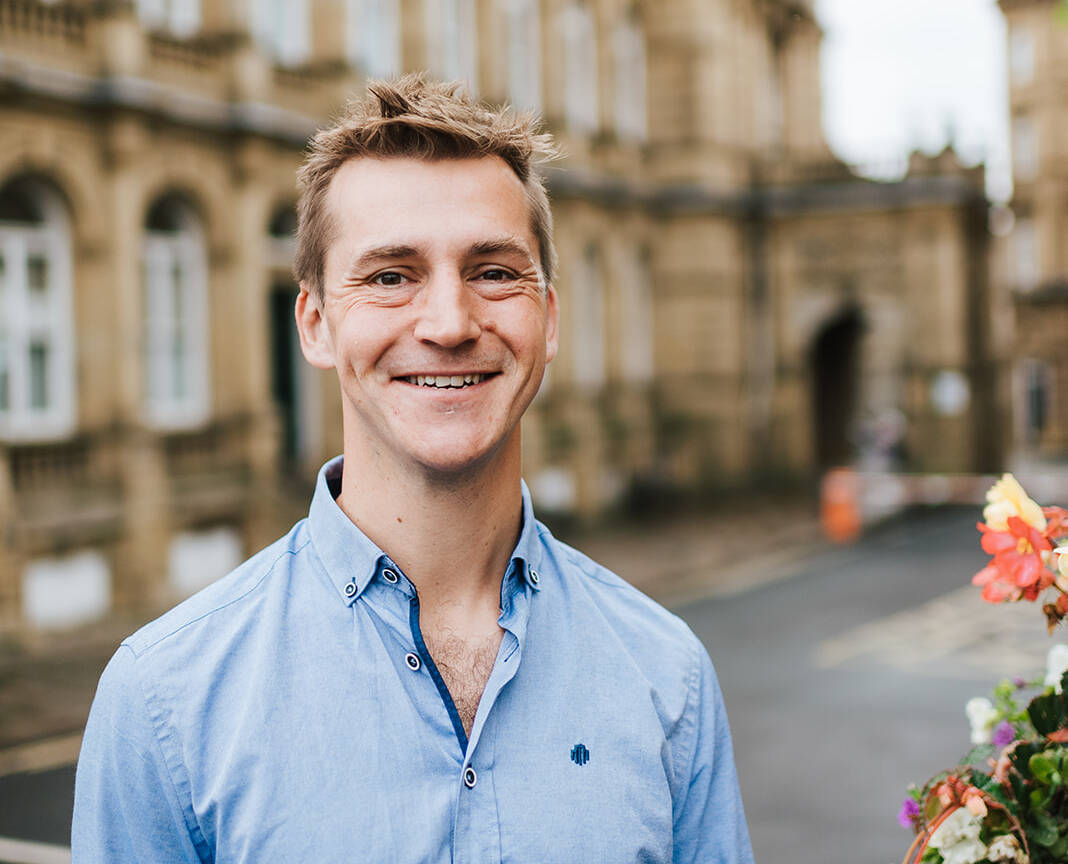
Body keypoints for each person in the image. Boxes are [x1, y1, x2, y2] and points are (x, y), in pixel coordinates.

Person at [72, 75, 754, 863]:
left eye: (494, 271)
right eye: (390, 276)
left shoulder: (668, 675)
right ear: (317, 323)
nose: (449, 323)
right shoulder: (165, 698)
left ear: (549, 317)